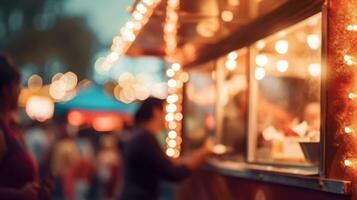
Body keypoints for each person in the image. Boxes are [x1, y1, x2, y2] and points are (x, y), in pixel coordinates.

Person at [119, 97, 213, 200]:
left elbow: (168, 163)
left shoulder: (140, 135)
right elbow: (173, 173)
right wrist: (204, 153)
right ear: (156, 112)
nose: (167, 116)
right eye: (165, 111)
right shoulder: (145, 138)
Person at [0, 55, 52, 200]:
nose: (20, 91)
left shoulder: (10, 129)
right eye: (17, 85)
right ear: (6, 90)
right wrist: (18, 195)